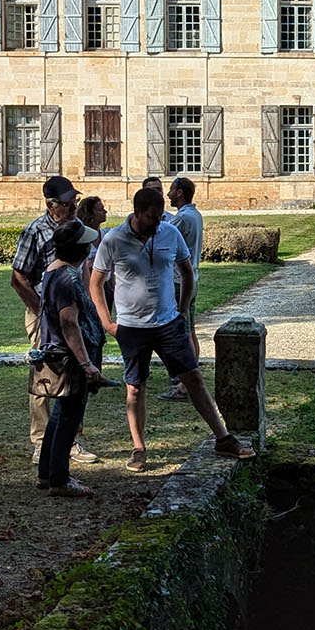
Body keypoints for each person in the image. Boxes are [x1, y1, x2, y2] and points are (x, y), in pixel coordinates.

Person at [88, 187, 254, 473]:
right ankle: (139, 449)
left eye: (160, 216)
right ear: (137, 212)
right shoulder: (113, 240)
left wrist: (182, 308)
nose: (157, 222)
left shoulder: (169, 233)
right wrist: (107, 322)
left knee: (194, 380)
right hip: (132, 327)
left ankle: (223, 438)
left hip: (168, 323)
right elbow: (95, 283)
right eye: (151, 217)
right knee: (135, 388)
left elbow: (186, 271)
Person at [12, 177, 98, 467]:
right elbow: (18, 278)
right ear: (51, 206)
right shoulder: (35, 231)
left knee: (75, 375)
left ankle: (71, 439)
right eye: (66, 203)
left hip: (72, 312)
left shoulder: (78, 230)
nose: (73, 206)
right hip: (43, 314)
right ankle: (41, 442)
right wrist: (42, 311)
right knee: (45, 377)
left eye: (74, 200)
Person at [32, 221, 110, 498]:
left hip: (61, 354)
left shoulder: (53, 271)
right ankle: (59, 479)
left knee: (60, 414)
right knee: (69, 416)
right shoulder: (67, 278)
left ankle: (47, 473)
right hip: (71, 357)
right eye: (87, 244)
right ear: (78, 249)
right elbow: (69, 323)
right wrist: (86, 363)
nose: (91, 248)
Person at [158, 177, 206, 401]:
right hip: (193, 278)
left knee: (181, 332)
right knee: (190, 330)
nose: (167, 194)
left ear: (179, 193)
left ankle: (186, 385)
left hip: (179, 281)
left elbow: (161, 236)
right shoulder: (194, 215)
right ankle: (193, 377)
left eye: (170, 190)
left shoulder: (183, 219)